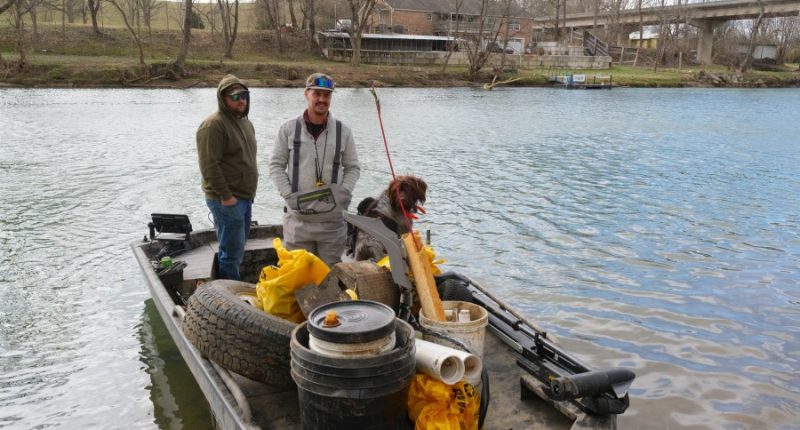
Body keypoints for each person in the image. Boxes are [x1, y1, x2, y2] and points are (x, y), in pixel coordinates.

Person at [269, 73, 360, 267]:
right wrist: (288, 194)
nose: (322, 99)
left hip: (332, 225)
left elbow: (353, 167)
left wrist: (343, 193)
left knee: (330, 278)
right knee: (298, 278)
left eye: (327, 95)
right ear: (306, 94)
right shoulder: (287, 129)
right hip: (297, 223)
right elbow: (276, 165)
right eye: (317, 94)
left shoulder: (344, 131)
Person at [196, 75, 258, 280]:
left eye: (244, 95)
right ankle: (231, 298)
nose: (241, 100)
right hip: (227, 200)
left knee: (238, 249)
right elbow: (209, 166)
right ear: (223, 99)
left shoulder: (246, 124)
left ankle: (233, 289)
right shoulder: (213, 125)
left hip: (245, 197)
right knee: (230, 254)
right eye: (235, 96)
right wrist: (226, 196)